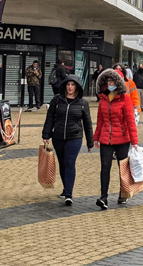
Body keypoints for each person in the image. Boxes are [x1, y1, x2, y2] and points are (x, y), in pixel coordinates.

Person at [42, 75, 94, 206]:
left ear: (77, 86)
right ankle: (66, 188)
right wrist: (46, 135)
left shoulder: (83, 103)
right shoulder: (57, 100)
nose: (70, 87)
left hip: (74, 137)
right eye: (68, 84)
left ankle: (69, 194)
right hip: (58, 137)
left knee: (70, 163)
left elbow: (87, 123)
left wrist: (90, 142)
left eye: (73, 85)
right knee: (62, 164)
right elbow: (50, 118)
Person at [93, 69, 139, 210]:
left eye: (112, 81)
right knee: (105, 168)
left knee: (123, 169)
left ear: (118, 83)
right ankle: (103, 196)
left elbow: (130, 121)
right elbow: (100, 119)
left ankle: (123, 193)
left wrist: (134, 141)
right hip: (106, 139)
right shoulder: (104, 98)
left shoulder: (125, 99)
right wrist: (96, 137)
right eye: (108, 81)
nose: (109, 83)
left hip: (122, 139)